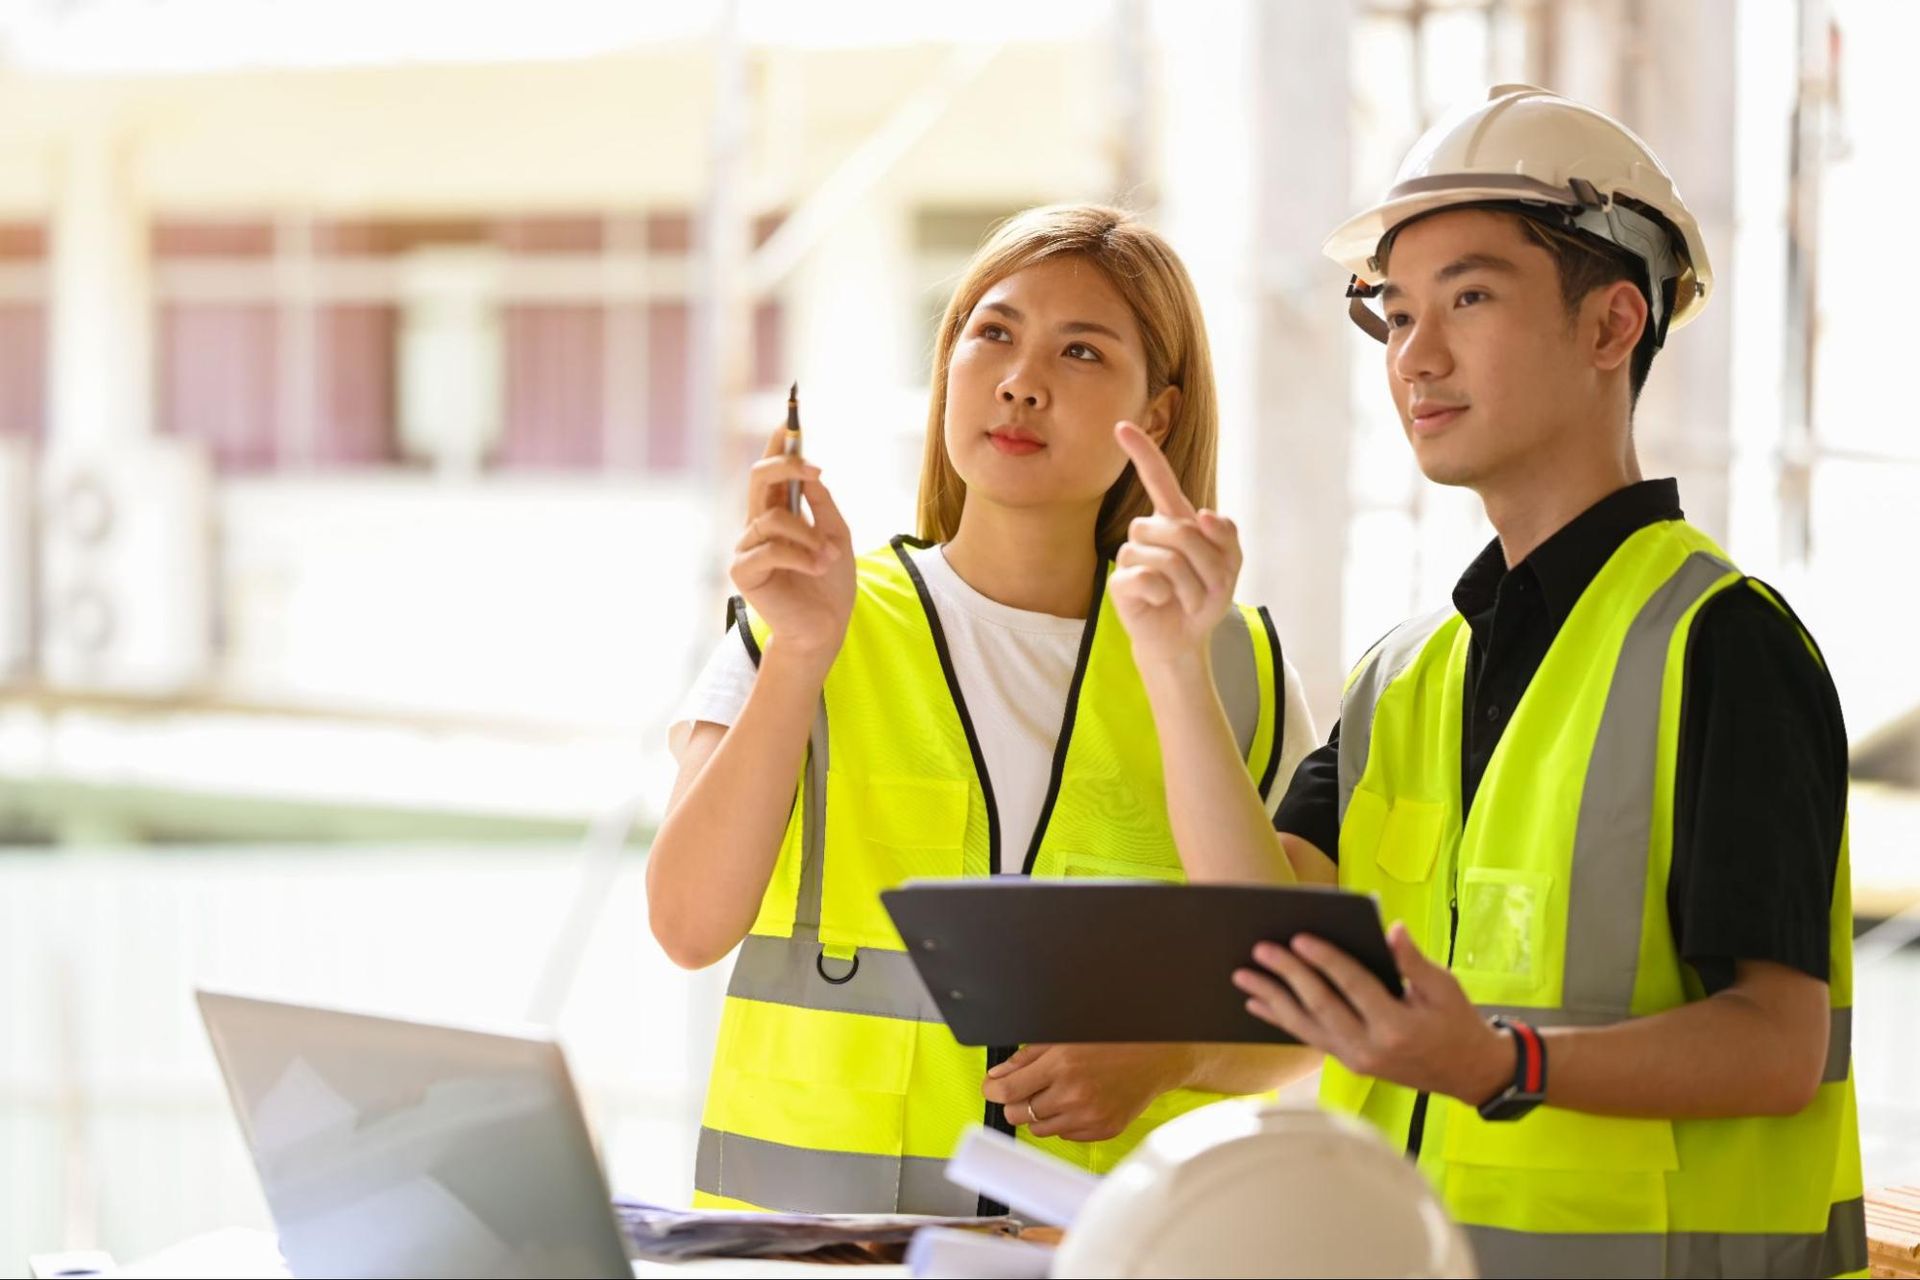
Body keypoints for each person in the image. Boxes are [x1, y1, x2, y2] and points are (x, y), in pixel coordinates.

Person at [1110, 87, 1864, 1278]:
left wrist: (1504, 1061)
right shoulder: (1404, 673)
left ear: (1615, 324)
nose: (1418, 353)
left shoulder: (1722, 641)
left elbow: (1777, 1044)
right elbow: (1265, 944)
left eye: (1468, 296)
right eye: (1397, 314)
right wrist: (1170, 654)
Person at [649, 203, 1318, 1214]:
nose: (1020, 380)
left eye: (1081, 350)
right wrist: (801, 651)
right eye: (992, 333)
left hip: (1102, 1252)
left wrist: (1168, 1056)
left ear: (1163, 412)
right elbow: (689, 925)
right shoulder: (805, 623)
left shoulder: (1233, 663)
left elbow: (1300, 1005)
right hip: (809, 1261)